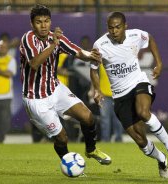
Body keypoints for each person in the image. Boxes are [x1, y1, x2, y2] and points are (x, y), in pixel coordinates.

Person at [90, 12, 168, 179]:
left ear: (125, 26)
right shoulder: (100, 45)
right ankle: (161, 159)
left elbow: (151, 39)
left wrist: (159, 63)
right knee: (140, 140)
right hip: (119, 95)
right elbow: (94, 69)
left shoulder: (135, 35)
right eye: (111, 28)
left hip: (138, 83)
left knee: (143, 112)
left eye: (118, 27)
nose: (114, 31)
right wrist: (97, 89)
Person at [19, 4, 111, 165]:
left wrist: (92, 56)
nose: (43, 25)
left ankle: (91, 150)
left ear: (50, 21)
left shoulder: (56, 37)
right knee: (62, 138)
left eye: (47, 21)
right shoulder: (28, 39)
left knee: (88, 117)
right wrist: (53, 45)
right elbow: (34, 63)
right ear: (32, 24)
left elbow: (77, 51)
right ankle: (69, 164)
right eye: (39, 22)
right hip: (36, 99)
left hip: (55, 89)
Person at [99, 64, 123, 142]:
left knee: (118, 119)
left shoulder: (119, 62)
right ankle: (105, 140)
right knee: (105, 119)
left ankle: (118, 139)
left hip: (118, 94)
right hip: (104, 94)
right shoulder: (100, 62)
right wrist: (94, 90)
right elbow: (95, 77)